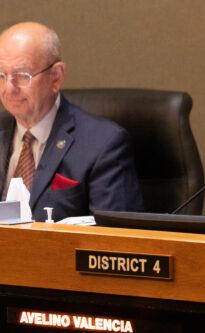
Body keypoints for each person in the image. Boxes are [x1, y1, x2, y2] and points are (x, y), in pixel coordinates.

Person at [0, 22, 143, 221]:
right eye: (1, 75)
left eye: (22, 76)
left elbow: (117, 238)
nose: (9, 88)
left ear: (56, 77)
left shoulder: (103, 144)